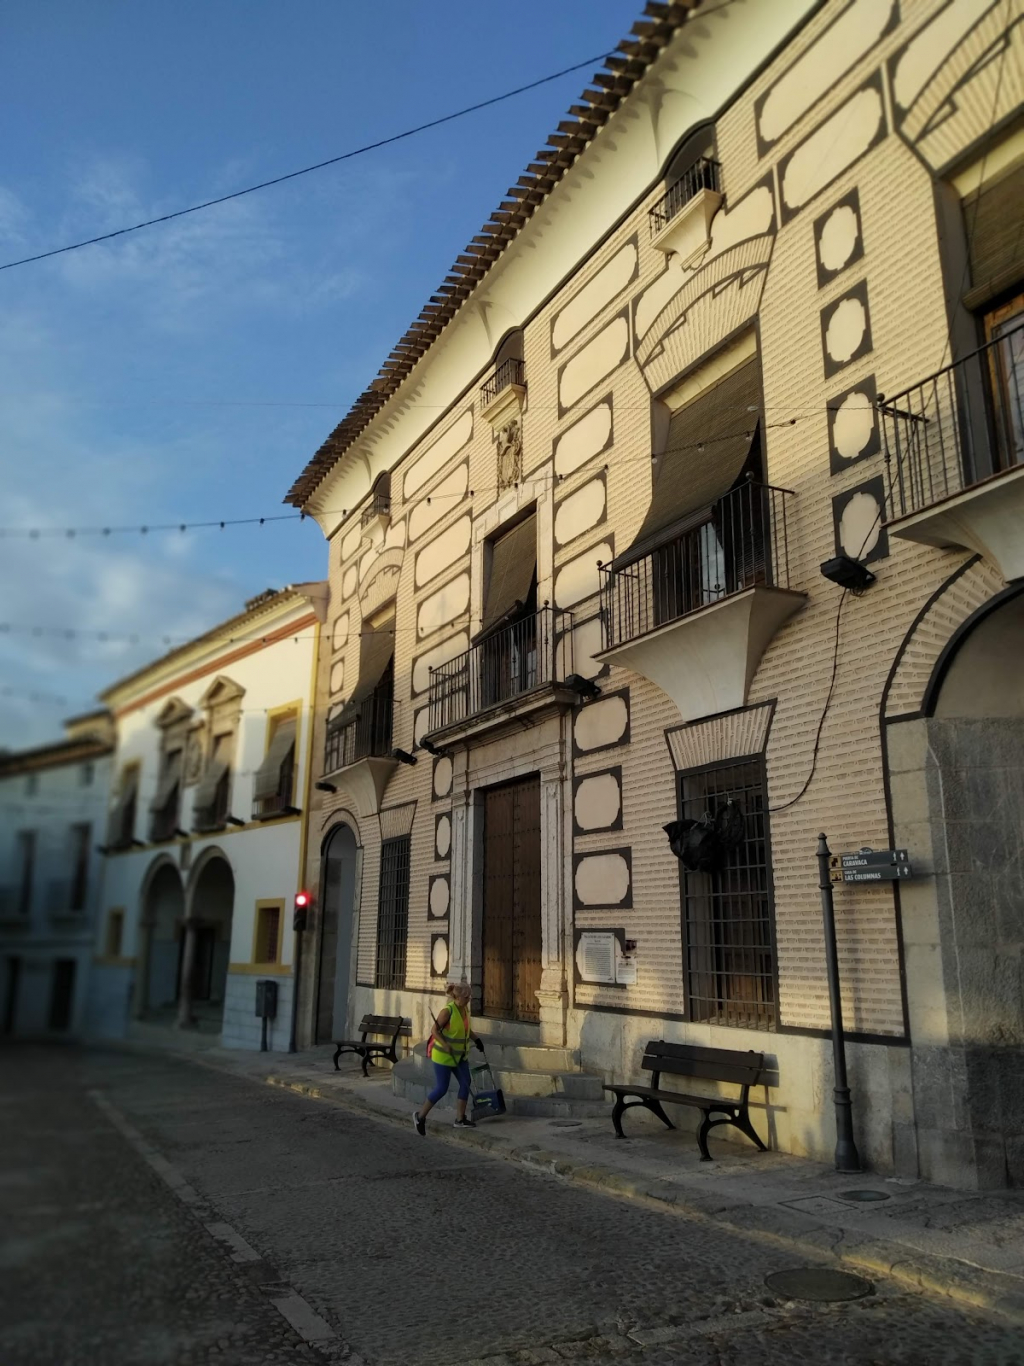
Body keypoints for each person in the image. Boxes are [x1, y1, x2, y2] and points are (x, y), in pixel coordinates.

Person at [413, 981, 483, 1135]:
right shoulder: (448, 1011)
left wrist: (477, 1040)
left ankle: (460, 1119)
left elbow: (466, 1030)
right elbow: (434, 1031)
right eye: (467, 997)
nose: (469, 999)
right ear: (458, 997)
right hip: (444, 1056)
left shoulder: (464, 1010)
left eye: (469, 996)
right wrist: (444, 1044)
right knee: (442, 1088)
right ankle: (420, 1116)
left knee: (466, 1083)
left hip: (459, 1056)